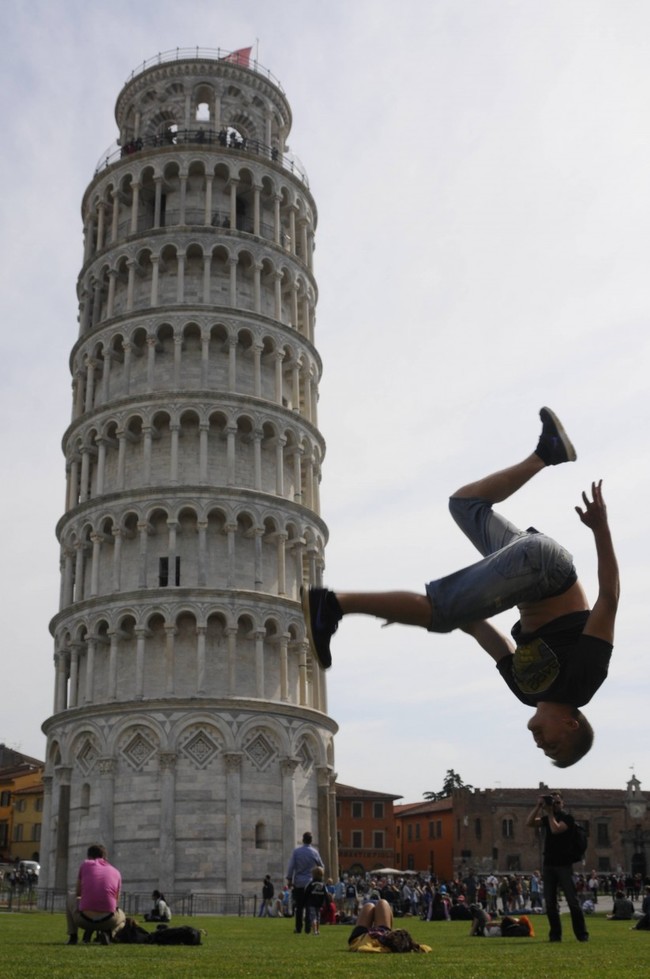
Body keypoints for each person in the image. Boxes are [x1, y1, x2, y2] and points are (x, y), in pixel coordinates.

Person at [302, 408, 619, 769]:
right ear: (571, 724)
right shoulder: (583, 684)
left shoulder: (526, 693)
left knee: (465, 505)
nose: (541, 745)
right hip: (547, 569)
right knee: (442, 610)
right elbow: (608, 601)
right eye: (554, 747)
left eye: (545, 752)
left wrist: (413, 613)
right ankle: (332, 604)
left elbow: (488, 637)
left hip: (527, 573)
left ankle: (547, 452)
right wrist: (600, 529)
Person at [526, 792, 589, 942]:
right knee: (550, 902)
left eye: (558, 802)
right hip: (548, 864)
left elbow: (556, 829)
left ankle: (582, 934)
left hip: (564, 865)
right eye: (553, 803)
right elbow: (529, 823)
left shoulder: (568, 818)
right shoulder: (547, 818)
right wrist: (538, 806)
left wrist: (548, 813)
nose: (555, 805)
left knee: (572, 901)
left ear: (563, 804)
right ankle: (555, 935)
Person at [65, 844, 125, 945]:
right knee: (123, 918)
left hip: (84, 920)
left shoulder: (85, 864)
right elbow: (116, 901)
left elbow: (78, 893)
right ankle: (109, 935)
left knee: (70, 895)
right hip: (109, 920)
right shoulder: (116, 872)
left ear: (88, 856)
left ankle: (73, 936)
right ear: (105, 857)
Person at [348, 899, 431, 953]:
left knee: (368, 906)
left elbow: (362, 949)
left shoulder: (381, 946)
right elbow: (427, 948)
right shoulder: (388, 935)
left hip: (360, 937)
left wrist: (384, 950)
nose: (395, 929)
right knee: (382, 903)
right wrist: (414, 946)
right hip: (381, 930)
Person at [286, 831, 324, 934]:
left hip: (299, 882)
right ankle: (308, 928)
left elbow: (291, 866)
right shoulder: (315, 852)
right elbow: (321, 866)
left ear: (303, 839)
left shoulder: (296, 852)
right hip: (310, 883)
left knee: (299, 906)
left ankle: (298, 928)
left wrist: (289, 879)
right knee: (308, 906)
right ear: (311, 840)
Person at [304, 866, 327, 935]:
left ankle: (314, 931)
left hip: (311, 903)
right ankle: (318, 930)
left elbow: (306, 892)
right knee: (318, 916)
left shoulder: (311, 883)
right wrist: (325, 902)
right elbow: (325, 894)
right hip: (319, 903)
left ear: (313, 874)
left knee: (313, 916)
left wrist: (305, 901)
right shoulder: (323, 885)